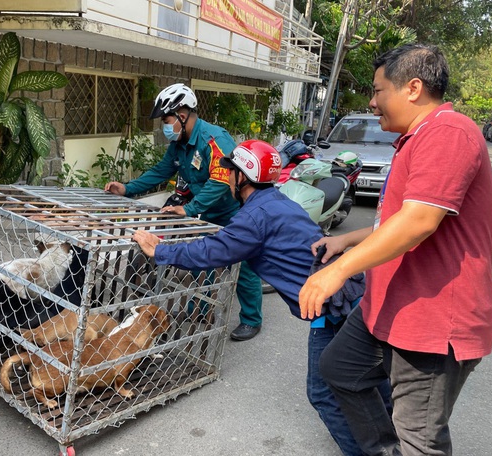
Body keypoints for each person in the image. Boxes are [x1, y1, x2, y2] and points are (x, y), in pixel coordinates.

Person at [298, 44, 492, 456]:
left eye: (378, 90)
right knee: (339, 369)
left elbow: (420, 221)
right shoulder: (415, 138)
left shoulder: (449, 131)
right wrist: (346, 239)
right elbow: (396, 221)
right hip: (389, 308)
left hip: (432, 322)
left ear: (413, 88)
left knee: (420, 439)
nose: (372, 102)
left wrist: (336, 271)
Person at [133, 139, 389, 456]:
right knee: (366, 377)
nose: (226, 178)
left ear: (243, 177)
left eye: (230, 172)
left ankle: (372, 451)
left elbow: (212, 251)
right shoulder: (276, 202)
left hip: (337, 306)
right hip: (344, 299)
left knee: (325, 391)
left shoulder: (255, 217)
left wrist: (159, 250)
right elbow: (226, 240)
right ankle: (390, 438)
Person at [105, 83, 264, 341]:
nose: (163, 126)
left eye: (166, 120)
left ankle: (251, 319)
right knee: (204, 262)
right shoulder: (179, 145)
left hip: (235, 212)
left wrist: (189, 209)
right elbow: (161, 171)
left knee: (244, 265)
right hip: (207, 213)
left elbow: (220, 181)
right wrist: (127, 188)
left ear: (182, 114)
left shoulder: (214, 139)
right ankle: (200, 309)